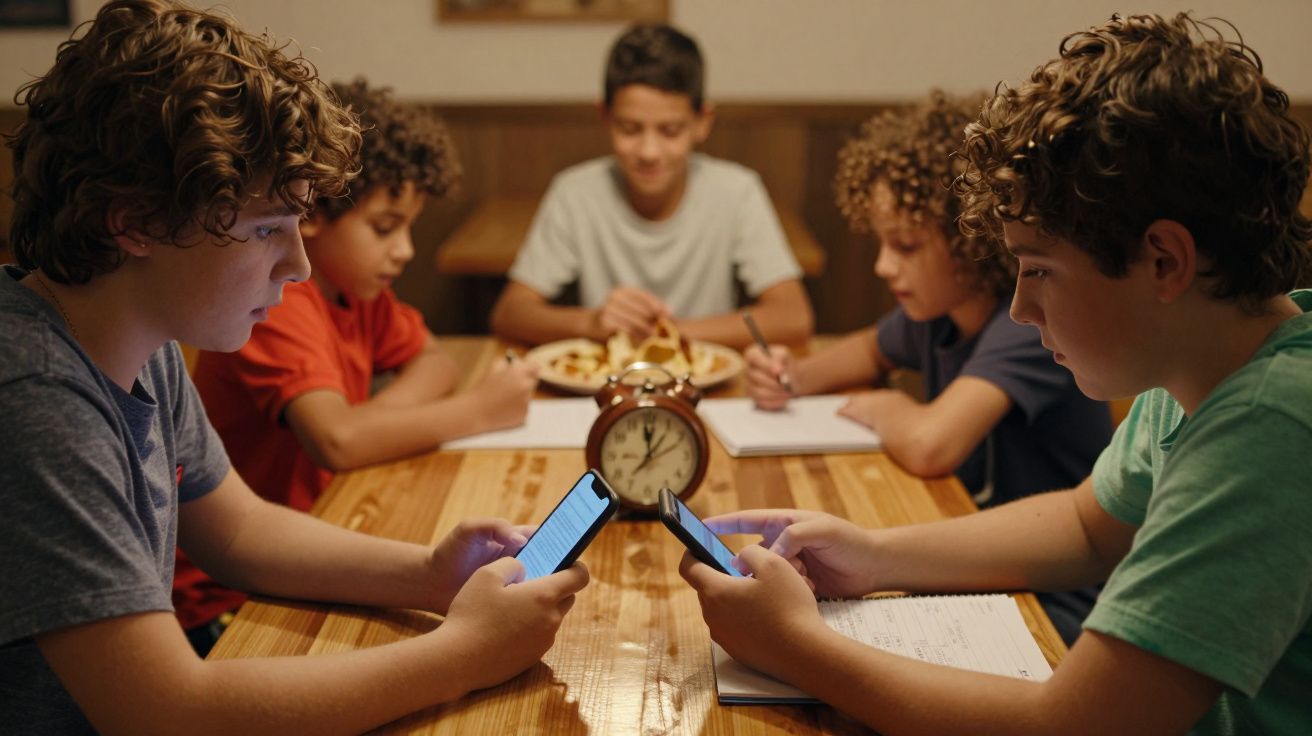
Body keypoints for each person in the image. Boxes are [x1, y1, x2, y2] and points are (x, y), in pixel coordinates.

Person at [680, 13, 1312, 734]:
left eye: (1039, 268)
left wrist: (795, 646)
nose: (1019, 306)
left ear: (1165, 261)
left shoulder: (1273, 427)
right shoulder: (1209, 368)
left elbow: (1074, 727)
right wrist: (875, 556)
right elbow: (1086, 527)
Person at [0, 2, 585, 732]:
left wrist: (429, 574)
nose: (300, 264)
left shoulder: (139, 341)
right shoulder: (36, 395)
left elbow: (241, 531)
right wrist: (464, 656)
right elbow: (165, 712)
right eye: (267, 229)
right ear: (136, 221)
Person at [178, 79, 539, 649]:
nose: (406, 250)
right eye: (384, 227)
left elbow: (433, 362)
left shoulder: (356, 293)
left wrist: (370, 418)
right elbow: (339, 443)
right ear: (316, 210)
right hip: (225, 599)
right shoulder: (275, 300)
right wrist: (478, 410)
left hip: (314, 540)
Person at [749, 93, 1112, 644]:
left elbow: (930, 444)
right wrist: (786, 375)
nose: (882, 265)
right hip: (981, 568)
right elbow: (868, 349)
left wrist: (890, 405)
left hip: (1055, 600)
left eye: (906, 245)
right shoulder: (936, 316)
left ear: (972, 238)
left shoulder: (1031, 329)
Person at [489, 23, 813, 349]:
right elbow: (510, 313)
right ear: (605, 116)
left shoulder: (737, 191)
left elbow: (793, 316)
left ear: (703, 122)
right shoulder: (575, 192)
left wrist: (666, 333)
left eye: (670, 130)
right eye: (629, 129)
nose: (649, 152)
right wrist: (591, 323)